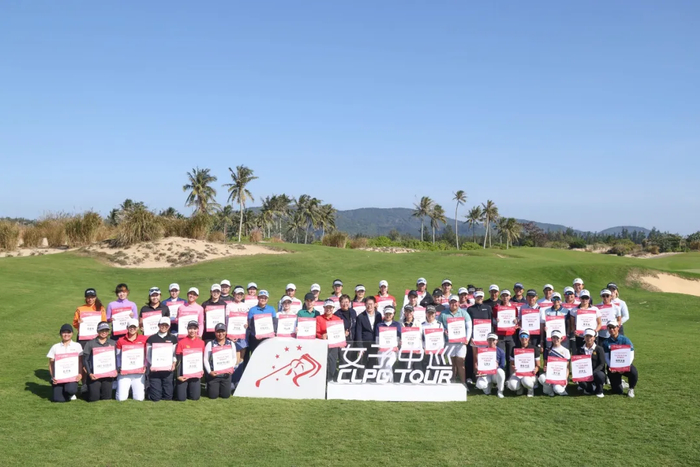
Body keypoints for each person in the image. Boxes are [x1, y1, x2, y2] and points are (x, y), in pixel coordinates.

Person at [437, 295, 472, 385]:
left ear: (458, 303)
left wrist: (467, 339)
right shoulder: (443, 314)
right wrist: (444, 330)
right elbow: (439, 326)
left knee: (460, 363)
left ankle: (463, 383)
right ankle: (452, 381)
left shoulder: (464, 313)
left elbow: (469, 326)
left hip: (461, 343)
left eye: (455, 302)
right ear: (449, 303)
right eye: (452, 302)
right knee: (451, 363)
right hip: (449, 342)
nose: (454, 304)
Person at [47, 324, 83, 402]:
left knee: (71, 390)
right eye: (64, 332)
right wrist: (53, 377)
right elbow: (51, 364)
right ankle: (63, 390)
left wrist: (80, 373)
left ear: (72, 333)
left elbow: (80, 361)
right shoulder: (55, 347)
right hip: (59, 377)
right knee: (58, 399)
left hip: (72, 376)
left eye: (68, 332)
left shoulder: (77, 346)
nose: (66, 334)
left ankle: (71, 393)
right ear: (60, 334)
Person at [82, 321, 117, 402]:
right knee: (94, 398)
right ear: (97, 331)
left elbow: (116, 358)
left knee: (106, 398)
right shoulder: (90, 343)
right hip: (94, 374)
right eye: (102, 330)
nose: (104, 332)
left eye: (106, 330)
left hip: (108, 374)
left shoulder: (113, 343)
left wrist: (116, 370)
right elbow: (85, 360)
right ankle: (85, 391)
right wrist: (89, 373)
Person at [115, 319, 148, 401]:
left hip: (138, 373)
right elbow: (118, 356)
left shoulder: (144, 339)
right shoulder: (121, 340)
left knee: (139, 399)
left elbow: (147, 354)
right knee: (121, 398)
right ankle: (117, 385)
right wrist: (119, 367)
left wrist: (145, 366)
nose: (132, 329)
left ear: (138, 328)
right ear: (127, 328)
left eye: (134, 327)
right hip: (124, 373)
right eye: (130, 327)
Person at [602, 322, 638, 398]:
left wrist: (625, 367)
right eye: (610, 328)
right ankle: (620, 384)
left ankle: (631, 388)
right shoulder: (606, 342)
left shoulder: (625, 340)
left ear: (618, 328)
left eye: (613, 327)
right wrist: (612, 367)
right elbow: (606, 357)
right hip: (612, 367)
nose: (612, 329)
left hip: (625, 364)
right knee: (617, 391)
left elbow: (631, 354)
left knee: (634, 372)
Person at [146, 317, 177, 402]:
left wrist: (174, 363)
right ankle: (148, 390)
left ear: (169, 326)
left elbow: (174, 354)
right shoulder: (151, 338)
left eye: (166, 325)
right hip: (155, 371)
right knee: (155, 398)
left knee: (168, 397)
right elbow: (148, 355)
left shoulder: (173, 338)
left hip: (168, 370)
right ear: (158, 325)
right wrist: (153, 364)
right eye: (162, 325)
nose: (164, 327)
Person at [175, 320, 205, 401]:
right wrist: (178, 375)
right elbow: (178, 360)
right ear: (187, 329)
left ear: (197, 329)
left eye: (194, 329)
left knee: (195, 397)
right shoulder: (181, 342)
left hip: (195, 372)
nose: (192, 331)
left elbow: (201, 359)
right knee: (181, 398)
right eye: (190, 328)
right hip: (183, 372)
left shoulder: (201, 343)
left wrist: (201, 369)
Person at [466, 290, 493, 382]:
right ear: (474, 297)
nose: (479, 298)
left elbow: (490, 322)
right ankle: (473, 376)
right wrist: (471, 337)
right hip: (475, 337)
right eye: (477, 297)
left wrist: (490, 337)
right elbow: (469, 324)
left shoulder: (488, 308)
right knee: (474, 358)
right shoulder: (470, 309)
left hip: (485, 338)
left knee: (484, 356)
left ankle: (484, 376)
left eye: (481, 296)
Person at [203, 323, 235, 399]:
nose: (220, 334)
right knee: (213, 396)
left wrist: (231, 368)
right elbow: (205, 359)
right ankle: (209, 386)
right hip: (214, 375)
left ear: (226, 332)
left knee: (225, 395)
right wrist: (209, 372)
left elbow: (234, 358)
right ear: (215, 332)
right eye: (218, 332)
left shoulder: (231, 343)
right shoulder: (210, 344)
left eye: (222, 331)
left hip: (226, 375)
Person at [506, 330, 540, 397]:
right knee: (512, 386)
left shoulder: (534, 349)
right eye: (522, 336)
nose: (524, 338)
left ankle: (530, 389)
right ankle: (520, 387)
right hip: (519, 373)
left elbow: (538, 365)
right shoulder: (514, 348)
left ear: (529, 337)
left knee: (526, 381)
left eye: (526, 336)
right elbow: (512, 363)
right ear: (519, 337)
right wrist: (513, 367)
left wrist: (535, 370)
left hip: (530, 374)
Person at [316, 299, 343, 382]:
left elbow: (340, 333)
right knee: (321, 363)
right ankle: (321, 381)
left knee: (332, 363)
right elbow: (317, 332)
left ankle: (330, 380)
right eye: (327, 307)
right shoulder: (319, 318)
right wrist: (322, 336)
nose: (328, 309)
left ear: (333, 308)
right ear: (324, 308)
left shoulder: (337, 319)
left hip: (333, 345)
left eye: (330, 307)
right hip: (321, 344)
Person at [493, 289, 519, 376]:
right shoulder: (496, 308)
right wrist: (496, 321)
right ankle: (499, 376)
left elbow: (517, 319)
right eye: (503, 296)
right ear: (501, 297)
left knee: (510, 357)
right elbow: (493, 321)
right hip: (500, 335)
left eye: (507, 296)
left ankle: (509, 376)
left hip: (511, 335)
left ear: (510, 297)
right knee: (500, 356)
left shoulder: (514, 308)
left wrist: (516, 321)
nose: (505, 297)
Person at [538, 330, 570, 397]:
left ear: (561, 339)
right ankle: (550, 391)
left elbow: (567, 367)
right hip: (551, 374)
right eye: (554, 337)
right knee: (541, 378)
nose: (555, 339)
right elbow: (545, 364)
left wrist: (565, 378)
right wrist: (545, 367)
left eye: (557, 338)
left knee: (557, 389)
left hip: (561, 375)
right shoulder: (548, 350)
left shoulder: (566, 351)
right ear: (551, 338)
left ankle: (561, 390)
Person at [475, 333, 506, 398]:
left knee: (501, 372)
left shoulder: (501, 351)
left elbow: (502, 365)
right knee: (481, 385)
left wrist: (497, 366)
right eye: (489, 340)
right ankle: (488, 387)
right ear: (487, 340)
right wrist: (479, 370)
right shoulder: (482, 351)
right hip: (486, 373)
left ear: (496, 341)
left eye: (493, 340)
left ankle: (500, 391)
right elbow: (479, 364)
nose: (491, 341)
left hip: (495, 373)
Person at [374, 305, 402, 377]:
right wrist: (379, 346)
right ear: (384, 313)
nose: (388, 316)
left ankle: (389, 381)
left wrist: (397, 346)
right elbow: (377, 339)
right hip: (382, 350)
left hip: (392, 351)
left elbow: (399, 338)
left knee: (388, 365)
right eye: (386, 314)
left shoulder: (397, 325)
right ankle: (384, 381)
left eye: (390, 314)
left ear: (393, 314)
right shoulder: (379, 325)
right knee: (382, 367)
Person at [247, 290, 277, 354]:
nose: (263, 299)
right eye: (261, 297)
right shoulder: (252, 310)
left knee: (267, 354)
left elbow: (274, 323)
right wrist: (256, 334)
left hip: (268, 338)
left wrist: (272, 333)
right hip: (255, 338)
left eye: (265, 298)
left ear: (267, 299)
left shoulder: (271, 309)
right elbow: (250, 325)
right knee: (255, 355)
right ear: (258, 298)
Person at [578, 328, 606, 398]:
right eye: (587, 336)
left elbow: (602, 364)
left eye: (590, 336)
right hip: (585, 373)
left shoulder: (599, 349)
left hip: (596, 372)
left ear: (594, 338)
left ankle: (599, 390)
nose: (588, 338)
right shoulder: (580, 349)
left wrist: (593, 372)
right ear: (584, 337)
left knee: (600, 376)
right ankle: (590, 388)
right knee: (581, 383)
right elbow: (577, 363)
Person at [226, 286, 250, 364]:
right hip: (233, 332)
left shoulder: (245, 305)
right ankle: (237, 368)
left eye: (241, 294)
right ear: (234, 294)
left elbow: (247, 318)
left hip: (243, 332)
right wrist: (230, 335)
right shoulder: (229, 306)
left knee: (243, 351)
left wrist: (247, 323)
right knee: (236, 353)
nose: (239, 296)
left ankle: (241, 366)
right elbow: (227, 321)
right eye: (237, 294)